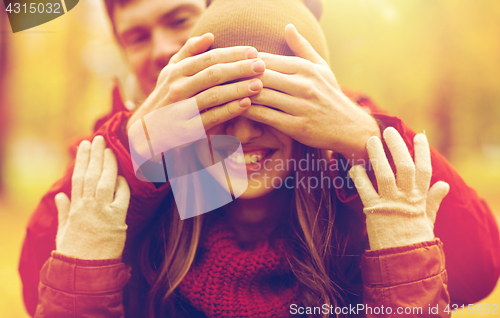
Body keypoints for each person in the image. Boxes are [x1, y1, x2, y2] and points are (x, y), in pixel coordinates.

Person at [20, 0, 500, 316]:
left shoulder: (317, 151)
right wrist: (135, 148)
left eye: (178, 20)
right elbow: (47, 287)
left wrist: (363, 138)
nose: (164, 50)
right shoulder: (151, 162)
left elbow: (472, 268)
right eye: (137, 37)